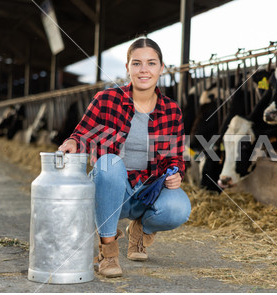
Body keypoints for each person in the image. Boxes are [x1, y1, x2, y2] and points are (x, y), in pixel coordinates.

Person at [58, 37, 191, 278]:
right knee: (109, 162)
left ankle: (140, 229)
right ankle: (107, 253)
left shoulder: (172, 110)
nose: (144, 70)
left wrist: (176, 173)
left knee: (179, 209)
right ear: (127, 68)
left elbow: (175, 156)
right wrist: (72, 142)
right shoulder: (106, 99)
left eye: (151, 63)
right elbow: (81, 134)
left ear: (161, 68)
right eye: (137, 63)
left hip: (146, 191)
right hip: (108, 190)